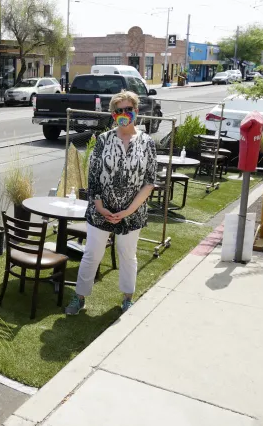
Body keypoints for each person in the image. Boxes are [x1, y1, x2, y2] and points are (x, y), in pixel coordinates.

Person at [65, 90, 157, 315]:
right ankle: (80, 297)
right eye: (118, 110)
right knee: (92, 254)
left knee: (128, 255)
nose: (123, 114)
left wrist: (127, 211)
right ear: (113, 114)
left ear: (136, 111)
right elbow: (93, 175)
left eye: (128, 109)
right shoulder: (104, 140)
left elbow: (149, 182)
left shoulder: (147, 143)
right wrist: (99, 205)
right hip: (100, 212)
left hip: (132, 214)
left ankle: (127, 298)